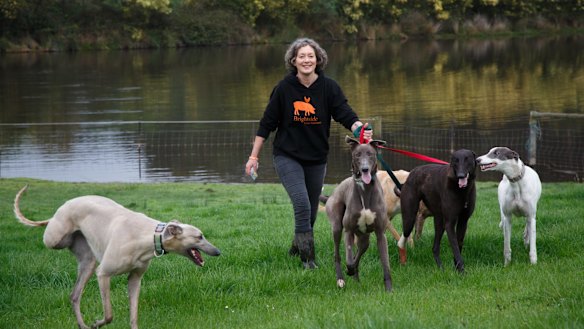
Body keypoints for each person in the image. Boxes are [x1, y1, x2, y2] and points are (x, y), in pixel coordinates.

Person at [245, 38, 373, 269]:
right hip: (287, 156)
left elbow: (345, 113)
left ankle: (297, 246)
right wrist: (254, 157)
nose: (306, 60)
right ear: (293, 60)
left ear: (318, 59)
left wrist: (360, 129)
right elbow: (266, 124)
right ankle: (308, 261)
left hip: (316, 158)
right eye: (301, 56)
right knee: (303, 204)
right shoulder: (284, 89)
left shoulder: (329, 87)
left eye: (310, 56)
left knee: (311, 211)